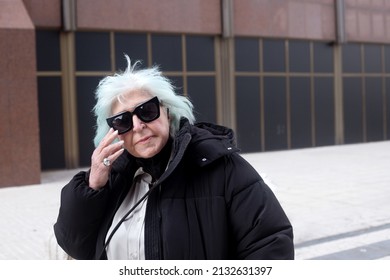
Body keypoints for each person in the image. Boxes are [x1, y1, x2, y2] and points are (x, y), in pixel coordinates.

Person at [54, 56, 294, 260]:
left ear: (167, 112)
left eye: (146, 111)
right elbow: (76, 245)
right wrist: (92, 186)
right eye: (123, 121)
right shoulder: (111, 179)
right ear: (114, 133)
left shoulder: (221, 166)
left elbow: (271, 245)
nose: (137, 126)